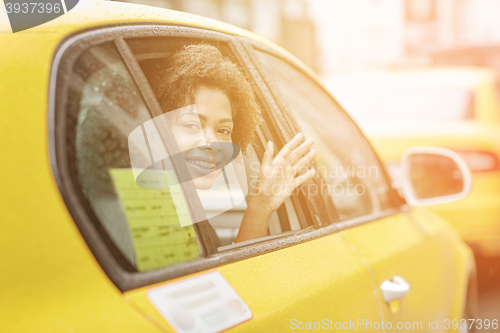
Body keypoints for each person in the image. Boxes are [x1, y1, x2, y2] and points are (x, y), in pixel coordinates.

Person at [146, 43, 316, 243]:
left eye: (223, 131)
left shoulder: (180, 208)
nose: (213, 143)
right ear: (156, 128)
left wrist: (262, 204)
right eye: (191, 125)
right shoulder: (142, 213)